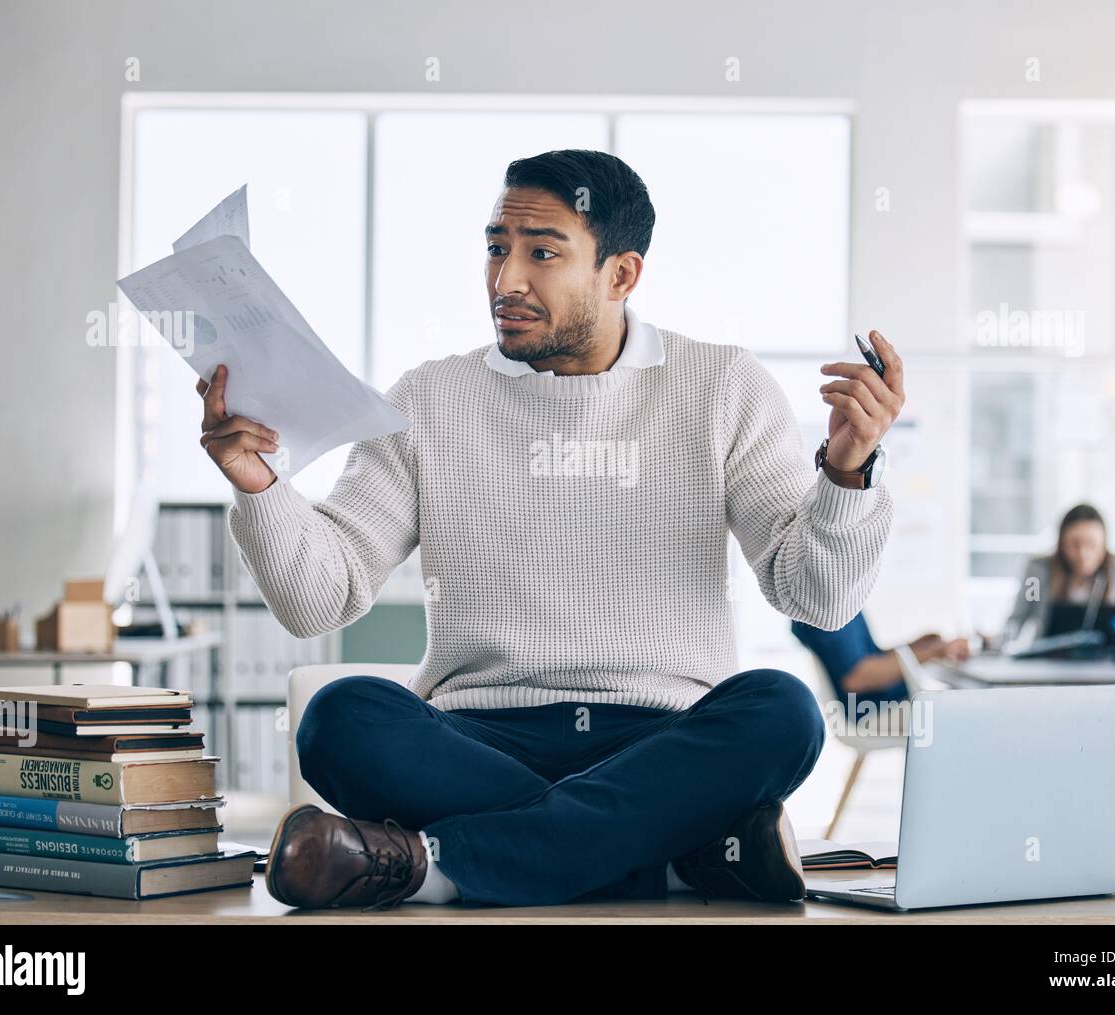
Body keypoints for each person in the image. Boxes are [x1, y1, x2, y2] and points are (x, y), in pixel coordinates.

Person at [198, 150, 906, 909]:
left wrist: (845, 474)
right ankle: (673, 856)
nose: (506, 281)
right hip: (478, 737)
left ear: (621, 274)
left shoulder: (722, 386)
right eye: (497, 248)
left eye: (542, 252)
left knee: (783, 712)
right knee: (338, 719)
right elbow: (320, 598)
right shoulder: (430, 397)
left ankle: (428, 863)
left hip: (662, 738)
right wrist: (263, 489)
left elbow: (816, 598)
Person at [1003, 503, 1115, 645]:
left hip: (1107, 663)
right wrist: (999, 641)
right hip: (1049, 661)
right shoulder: (1037, 572)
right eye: (1074, 544)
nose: (1083, 554)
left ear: (1103, 544)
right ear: (1061, 544)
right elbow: (1018, 617)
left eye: (1092, 544)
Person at [791, 612, 969, 715]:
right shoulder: (825, 610)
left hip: (883, 701)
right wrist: (933, 652)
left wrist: (918, 647)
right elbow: (857, 678)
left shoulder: (843, 602)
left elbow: (874, 657)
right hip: (869, 709)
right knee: (964, 711)